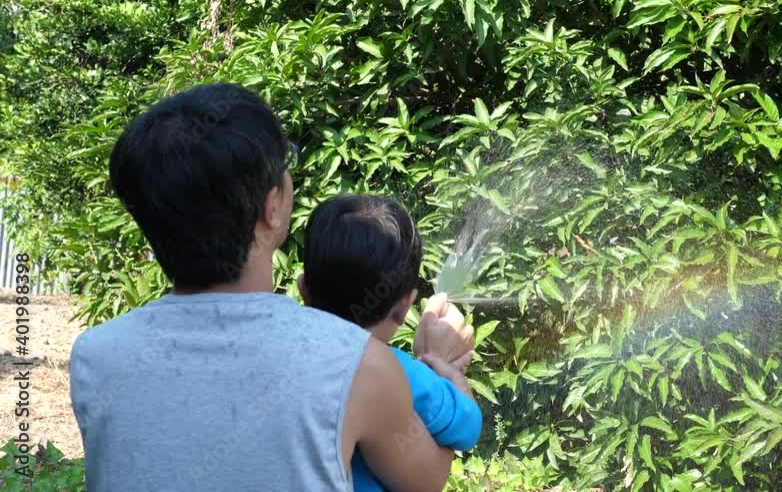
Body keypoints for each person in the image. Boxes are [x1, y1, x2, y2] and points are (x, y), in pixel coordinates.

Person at [69, 83, 473, 491]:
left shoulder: (95, 356)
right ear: (272, 206)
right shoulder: (357, 363)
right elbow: (425, 481)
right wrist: (442, 367)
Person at [298, 194, 482, 491]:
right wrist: (449, 372)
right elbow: (467, 427)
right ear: (403, 308)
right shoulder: (400, 373)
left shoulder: (287, 355)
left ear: (303, 288)